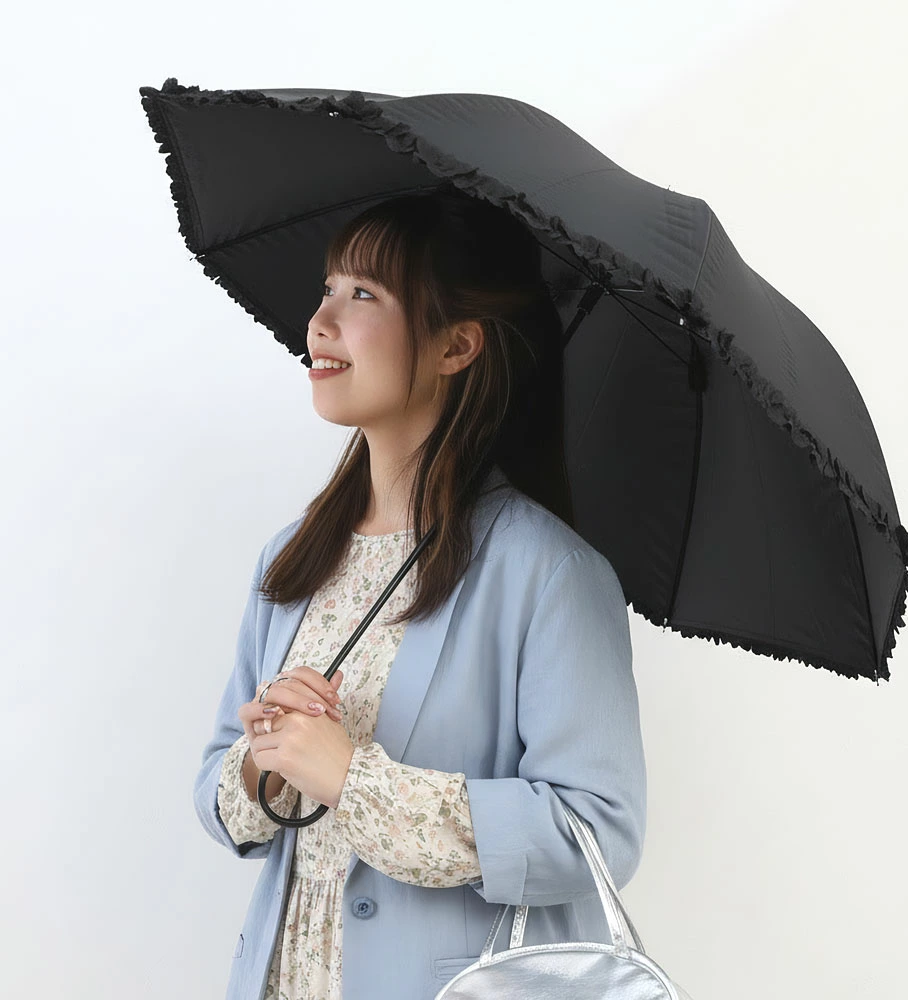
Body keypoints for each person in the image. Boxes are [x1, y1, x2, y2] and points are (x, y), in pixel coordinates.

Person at [193, 185, 648, 1000]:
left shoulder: (548, 573)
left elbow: (598, 833)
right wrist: (269, 763)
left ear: (456, 345)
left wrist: (353, 779)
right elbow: (218, 798)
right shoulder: (292, 559)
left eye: (364, 294)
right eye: (327, 288)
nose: (320, 321)